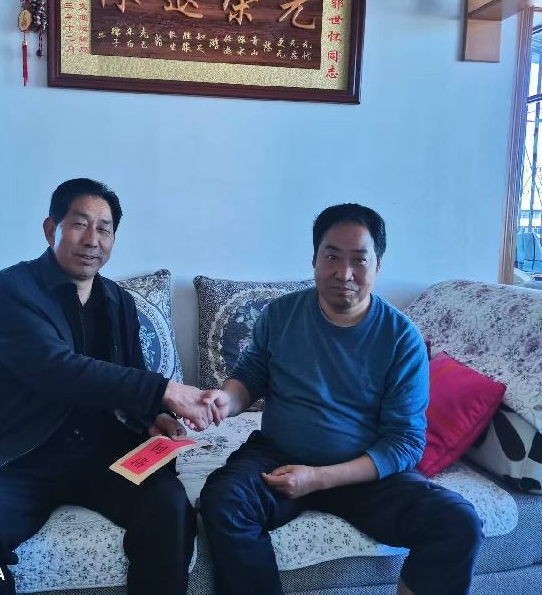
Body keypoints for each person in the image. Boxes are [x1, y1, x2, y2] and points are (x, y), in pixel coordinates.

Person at [0, 178, 209, 595]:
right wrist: (165, 390)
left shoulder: (119, 301)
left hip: (105, 454)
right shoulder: (6, 291)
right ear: (51, 229)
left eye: (104, 229)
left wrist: (155, 415)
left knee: (171, 507)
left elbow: (129, 372)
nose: (92, 239)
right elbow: (55, 368)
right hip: (21, 456)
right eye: (80, 224)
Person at [198, 204, 484, 595]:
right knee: (224, 501)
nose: (344, 273)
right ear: (314, 259)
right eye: (332, 257)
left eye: (359, 260)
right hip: (278, 457)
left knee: (458, 521)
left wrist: (318, 479)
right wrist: (225, 401)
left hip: (364, 474)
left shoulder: (402, 338)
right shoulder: (280, 315)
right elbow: (249, 378)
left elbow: (404, 442)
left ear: (378, 265)